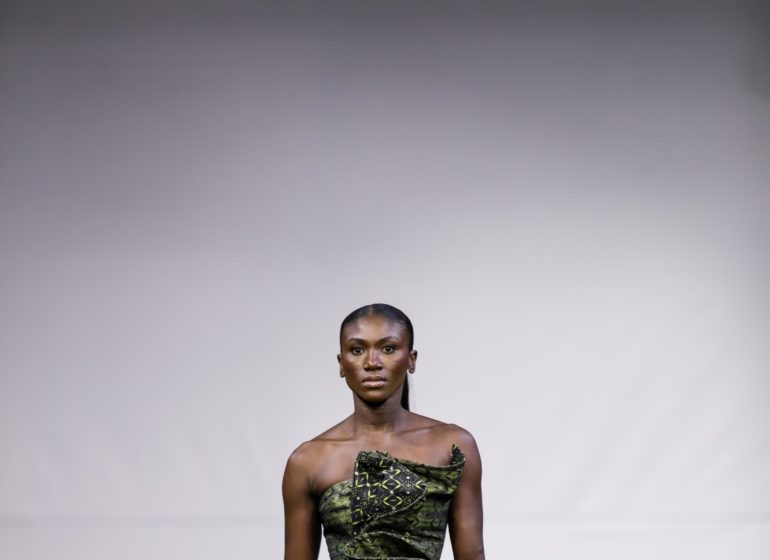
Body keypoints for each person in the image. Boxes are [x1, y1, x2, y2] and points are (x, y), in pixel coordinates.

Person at [282, 303, 485, 560]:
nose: (371, 362)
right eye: (357, 350)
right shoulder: (308, 461)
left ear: (411, 359)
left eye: (388, 349)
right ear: (341, 363)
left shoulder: (453, 446)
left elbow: (472, 554)